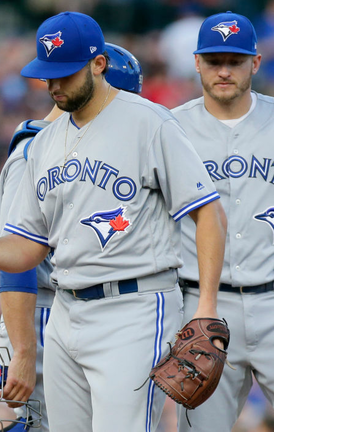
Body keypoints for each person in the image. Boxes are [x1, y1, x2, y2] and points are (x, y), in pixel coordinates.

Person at [0, 12, 227, 431]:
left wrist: (206, 306)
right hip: (66, 311)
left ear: (98, 64)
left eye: (65, 74)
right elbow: (29, 247)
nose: (54, 86)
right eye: (48, 75)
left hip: (134, 307)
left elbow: (207, 211)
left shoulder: (150, 122)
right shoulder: (42, 143)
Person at [0, 42, 144, 432]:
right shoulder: (33, 152)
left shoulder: (79, 148)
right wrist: (24, 350)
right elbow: (17, 262)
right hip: (40, 316)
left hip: (72, 313)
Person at [171, 11, 273, 431]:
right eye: (214, 60)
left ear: (256, 62)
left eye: (235, 60)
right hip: (201, 306)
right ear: (197, 62)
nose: (224, 70)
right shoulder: (170, 127)